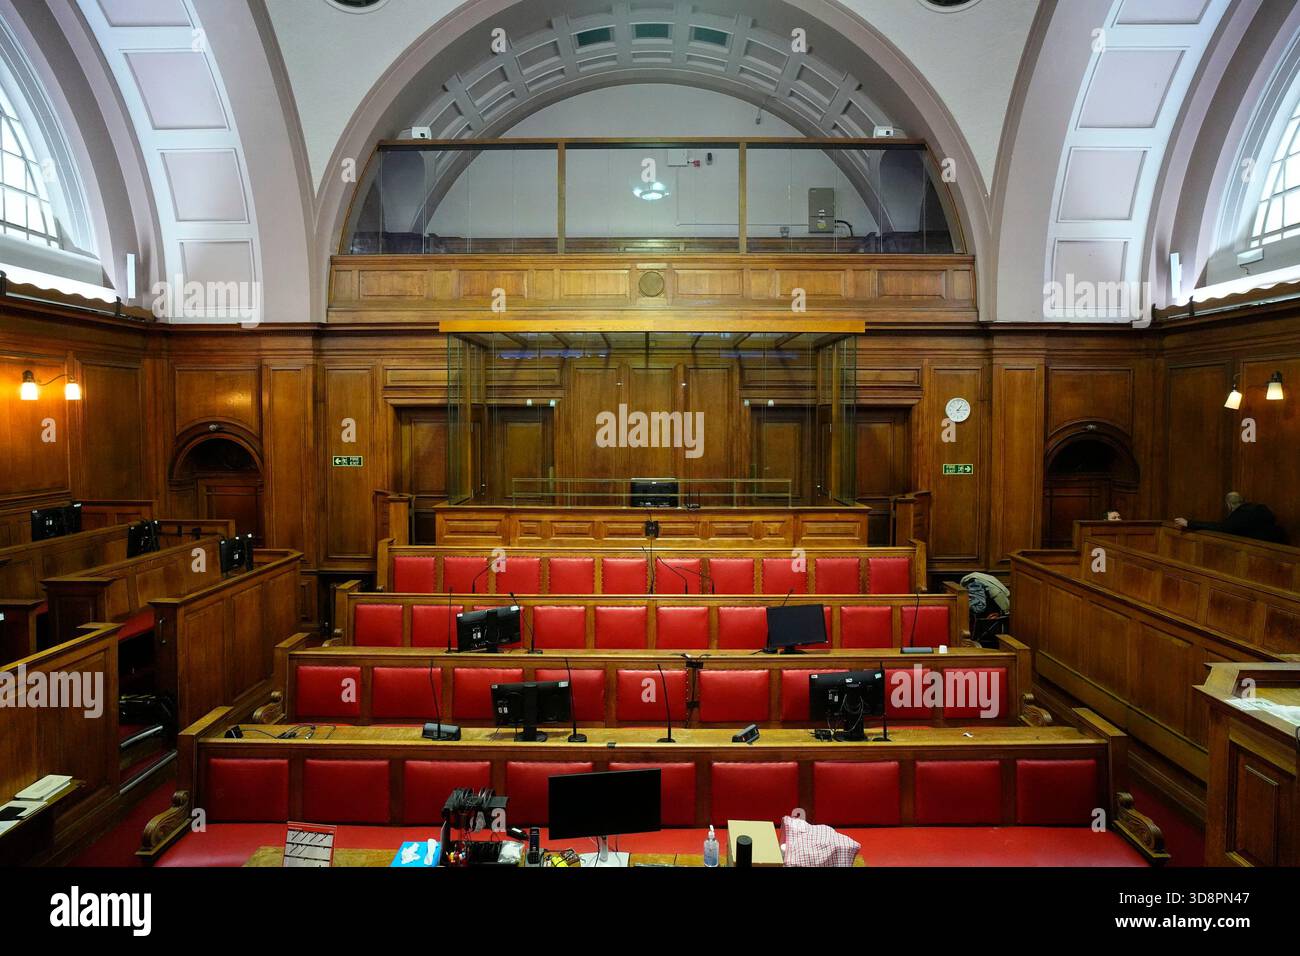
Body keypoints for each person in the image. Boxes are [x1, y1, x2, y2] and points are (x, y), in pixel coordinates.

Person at [1174, 492, 1288, 544]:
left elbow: (1221, 527)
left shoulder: (1240, 514)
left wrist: (1189, 523)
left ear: (1228, 505)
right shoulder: (1260, 508)